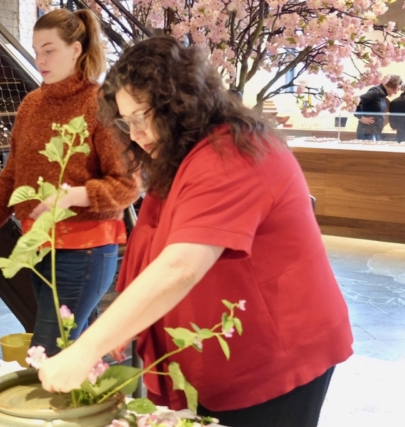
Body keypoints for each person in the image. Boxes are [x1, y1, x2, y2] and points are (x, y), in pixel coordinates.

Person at [37, 37, 353, 427]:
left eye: (142, 115)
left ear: (180, 103)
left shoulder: (233, 153)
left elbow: (180, 266)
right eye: (125, 121)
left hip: (273, 357)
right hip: (218, 361)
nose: (134, 133)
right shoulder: (183, 155)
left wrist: (87, 348)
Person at [0, 9, 139, 356]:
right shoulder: (31, 105)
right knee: (78, 353)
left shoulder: (100, 104)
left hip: (85, 251)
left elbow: (127, 186)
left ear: (76, 49)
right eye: (35, 50)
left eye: (49, 49)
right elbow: (12, 174)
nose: (40, 59)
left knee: (47, 353)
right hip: (39, 247)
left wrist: (73, 196)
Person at [355, 75, 402, 141]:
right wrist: (360, 117)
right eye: (397, 89)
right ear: (392, 85)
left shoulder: (381, 94)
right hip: (367, 133)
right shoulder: (376, 92)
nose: (396, 92)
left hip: (374, 132)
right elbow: (357, 100)